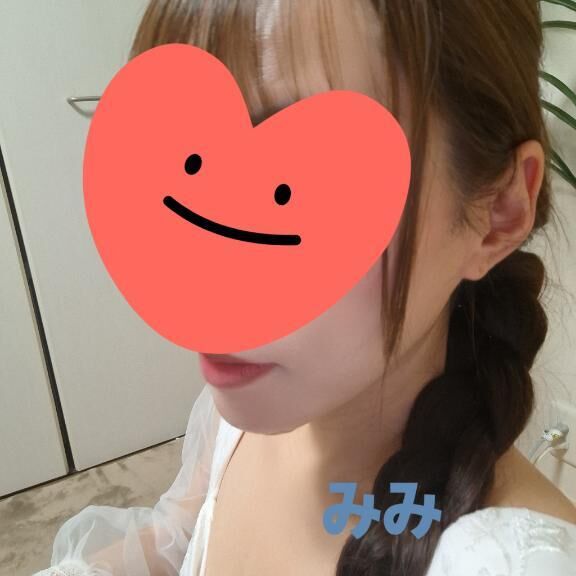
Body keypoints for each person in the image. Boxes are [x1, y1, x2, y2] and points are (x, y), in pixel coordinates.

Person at [34, 0, 576, 575]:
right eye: (189, 156)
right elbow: (177, 534)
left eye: (297, 184)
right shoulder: (241, 412)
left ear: (498, 212)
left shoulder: (507, 562)